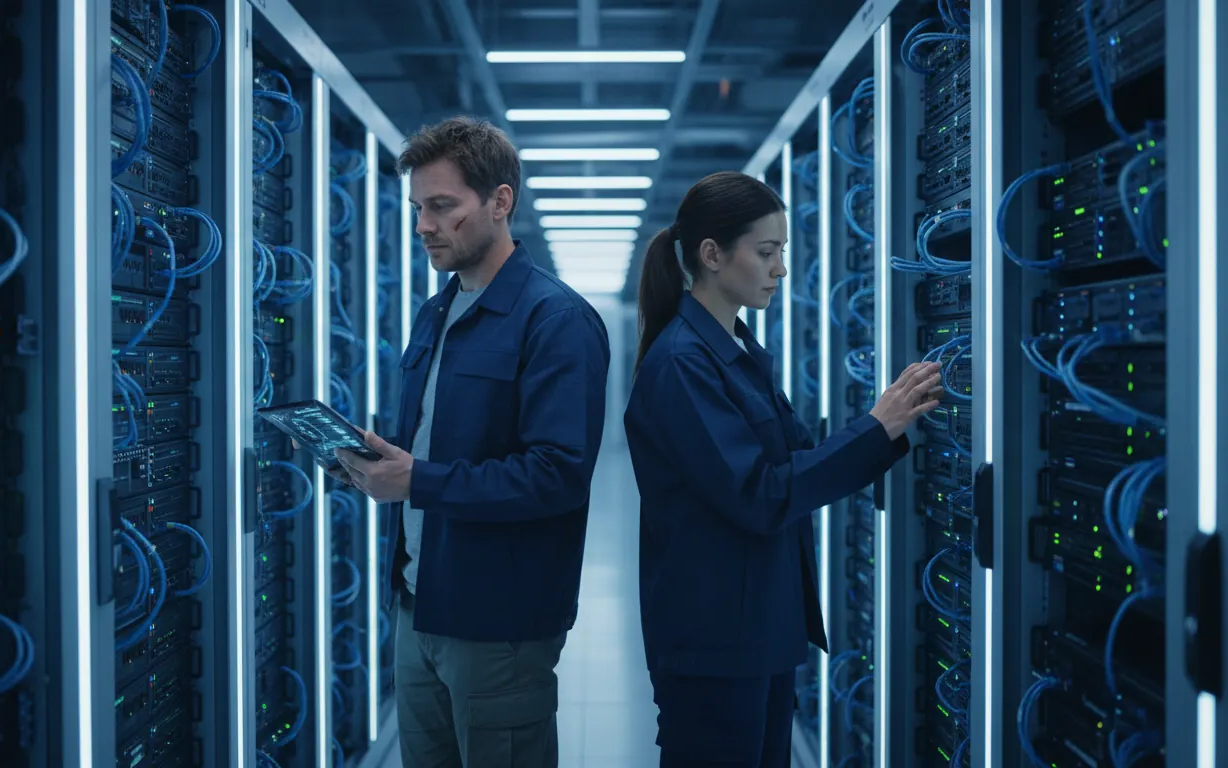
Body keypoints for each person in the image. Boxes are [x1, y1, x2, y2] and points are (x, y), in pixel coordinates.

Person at [623, 171, 942, 768]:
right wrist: (877, 426)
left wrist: (887, 426)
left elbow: (795, 457)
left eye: (783, 253)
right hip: (715, 641)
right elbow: (761, 493)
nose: (781, 270)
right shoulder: (681, 365)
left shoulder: (734, 351)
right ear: (712, 255)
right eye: (767, 253)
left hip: (758, 626)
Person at [328, 116, 611, 768]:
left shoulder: (556, 320)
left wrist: (417, 481)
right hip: (417, 604)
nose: (423, 224)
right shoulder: (438, 310)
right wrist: (369, 462)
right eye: (419, 208)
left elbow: (558, 474)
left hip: (499, 625)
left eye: (442, 207)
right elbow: (433, 439)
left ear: (499, 201)